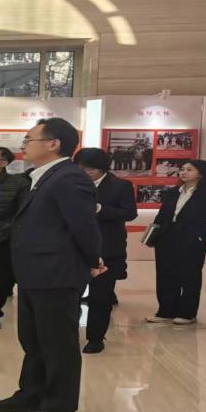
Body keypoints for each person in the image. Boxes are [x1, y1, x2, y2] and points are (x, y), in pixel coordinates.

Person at [0, 118, 101, 412]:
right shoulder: (43, 177)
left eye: (29, 139)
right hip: (35, 271)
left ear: (53, 144)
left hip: (56, 272)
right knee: (33, 339)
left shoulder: (69, 178)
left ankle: (60, 406)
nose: (23, 145)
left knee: (57, 342)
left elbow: (84, 225)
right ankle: (31, 393)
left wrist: (92, 259)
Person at [145, 161, 206, 325]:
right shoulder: (173, 192)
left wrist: (201, 236)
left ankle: (187, 313)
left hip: (191, 239)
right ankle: (166, 311)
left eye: (189, 170)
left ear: (201, 173)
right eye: (182, 169)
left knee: (189, 276)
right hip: (166, 238)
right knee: (165, 275)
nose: (183, 172)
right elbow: (161, 216)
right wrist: (153, 236)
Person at [73, 148, 137, 353]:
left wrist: (100, 209)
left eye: (91, 169)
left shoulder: (121, 185)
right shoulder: (72, 183)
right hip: (74, 248)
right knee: (71, 295)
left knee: (100, 297)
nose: (86, 172)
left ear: (103, 168)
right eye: (81, 168)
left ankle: (96, 338)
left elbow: (130, 213)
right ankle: (68, 335)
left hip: (108, 248)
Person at [0, 145, 31, 330]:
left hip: (2, 238)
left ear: (4, 163)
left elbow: (21, 213)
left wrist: (1, 230)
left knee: (0, 278)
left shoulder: (18, 183)